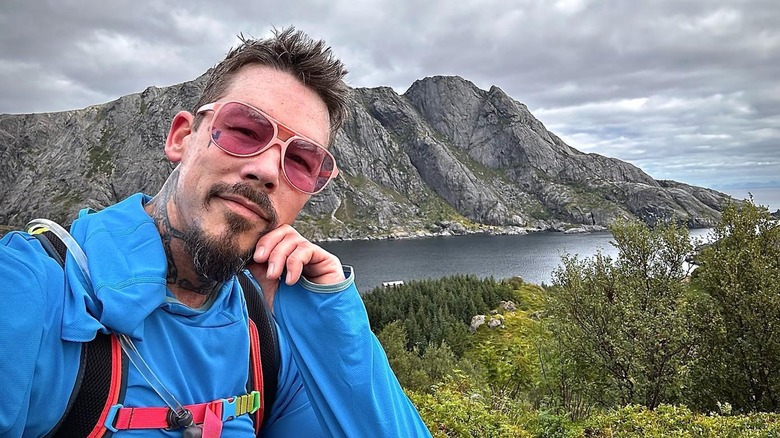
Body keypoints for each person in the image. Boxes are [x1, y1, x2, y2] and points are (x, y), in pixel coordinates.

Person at [0, 27, 431, 437]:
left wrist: (330, 318)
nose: (266, 170)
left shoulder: (269, 336)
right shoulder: (31, 287)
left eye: (301, 161)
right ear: (182, 138)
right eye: (244, 131)